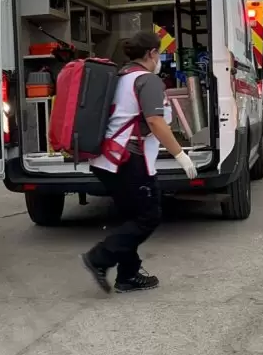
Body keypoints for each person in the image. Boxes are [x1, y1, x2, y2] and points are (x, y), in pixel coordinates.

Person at [81, 31, 197, 293]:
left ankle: (128, 275)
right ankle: (99, 257)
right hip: (130, 159)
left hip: (106, 159)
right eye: (158, 53)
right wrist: (180, 155)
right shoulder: (148, 81)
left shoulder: (120, 77)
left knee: (133, 216)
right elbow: (155, 121)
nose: (159, 58)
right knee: (148, 216)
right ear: (151, 54)